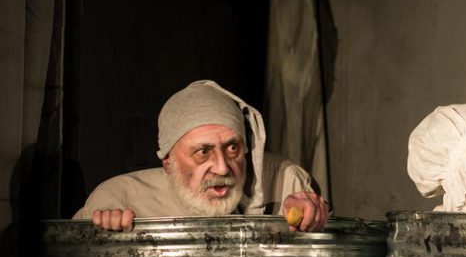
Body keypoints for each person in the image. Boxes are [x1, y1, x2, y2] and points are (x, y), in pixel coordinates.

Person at [73, 80, 329, 232]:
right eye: (203, 152)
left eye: (232, 149)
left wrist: (314, 218)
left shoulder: (285, 182)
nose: (222, 168)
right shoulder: (119, 198)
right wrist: (102, 238)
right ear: (168, 164)